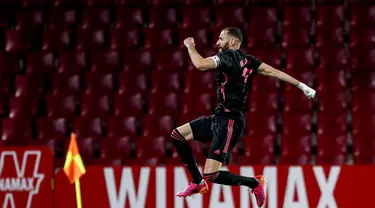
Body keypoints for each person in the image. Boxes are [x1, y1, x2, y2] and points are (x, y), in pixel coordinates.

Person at [171, 27, 316, 207]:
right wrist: (302, 86)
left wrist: (190, 46)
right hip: (219, 118)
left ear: (233, 42)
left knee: (212, 175)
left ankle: (253, 183)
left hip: (229, 122)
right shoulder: (249, 61)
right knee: (178, 135)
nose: (217, 42)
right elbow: (275, 72)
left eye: (220, 38)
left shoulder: (227, 57)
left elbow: (200, 64)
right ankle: (197, 182)